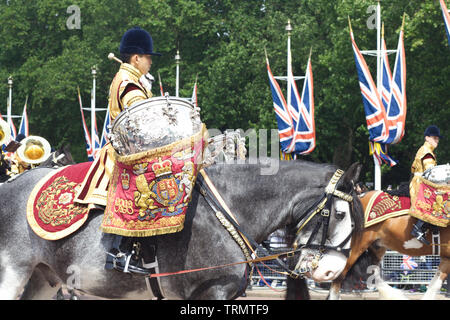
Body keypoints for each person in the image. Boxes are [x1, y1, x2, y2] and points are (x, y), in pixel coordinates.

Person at [74, 27, 161, 275]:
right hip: (128, 153)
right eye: (148, 57)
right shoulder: (129, 84)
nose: (150, 61)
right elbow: (142, 124)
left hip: (133, 149)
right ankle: (121, 251)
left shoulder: (131, 80)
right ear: (136, 58)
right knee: (148, 187)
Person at [409, 125, 443, 244]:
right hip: (421, 184)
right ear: (427, 138)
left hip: (419, 181)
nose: (437, 141)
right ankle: (419, 228)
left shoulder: (423, 150)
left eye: (438, 139)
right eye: (435, 138)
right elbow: (432, 173)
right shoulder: (427, 153)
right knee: (439, 200)